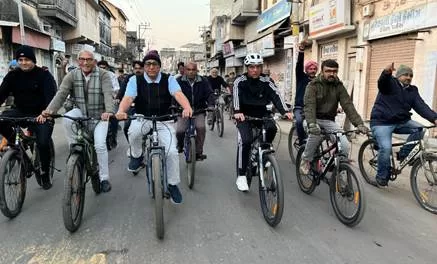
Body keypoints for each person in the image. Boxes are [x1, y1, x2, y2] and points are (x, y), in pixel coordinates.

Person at [115, 50, 193, 204]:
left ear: (159, 66)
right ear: (144, 66)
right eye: (148, 64)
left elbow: (178, 94)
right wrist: (121, 111)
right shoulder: (135, 80)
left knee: (171, 152)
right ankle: (136, 156)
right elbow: (128, 97)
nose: (151, 67)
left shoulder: (168, 79)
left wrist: (187, 107)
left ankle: (172, 184)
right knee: (133, 132)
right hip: (142, 118)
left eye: (154, 64)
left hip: (164, 119)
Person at [38, 49, 114, 193]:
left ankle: (104, 178)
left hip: (99, 116)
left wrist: (109, 111)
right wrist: (50, 110)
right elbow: (61, 94)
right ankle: (74, 147)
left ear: (94, 61)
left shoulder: (103, 75)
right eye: (82, 59)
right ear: (78, 61)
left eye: (88, 59)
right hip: (80, 112)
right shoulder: (72, 75)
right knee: (67, 119)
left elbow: (108, 94)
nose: (85, 62)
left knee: (99, 145)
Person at [0, 45, 57, 190]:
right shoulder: (13, 75)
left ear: (33, 60)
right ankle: (16, 146)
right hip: (20, 111)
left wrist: (46, 113)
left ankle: (44, 172)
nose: (23, 62)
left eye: (27, 59)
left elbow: (52, 98)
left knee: (43, 143)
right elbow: (1, 94)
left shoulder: (44, 75)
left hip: (42, 114)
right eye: (20, 59)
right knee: (1, 120)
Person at [370, 64, 437, 187]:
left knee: (420, 129)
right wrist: (386, 72)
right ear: (398, 75)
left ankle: (403, 155)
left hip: (401, 121)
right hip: (381, 122)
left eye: (411, 75)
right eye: (405, 74)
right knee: (385, 148)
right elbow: (382, 82)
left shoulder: (412, 90)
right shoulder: (390, 83)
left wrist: (435, 118)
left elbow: (421, 107)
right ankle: (381, 177)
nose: (408, 77)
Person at [233, 53, 292, 191]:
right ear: (247, 67)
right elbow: (235, 96)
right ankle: (241, 176)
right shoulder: (239, 81)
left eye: (258, 67)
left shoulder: (267, 81)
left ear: (261, 67)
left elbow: (276, 95)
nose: (255, 70)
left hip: (263, 115)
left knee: (272, 128)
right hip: (244, 116)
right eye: (252, 67)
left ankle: (263, 151)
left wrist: (285, 111)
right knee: (245, 141)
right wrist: (237, 112)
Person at [300, 59, 369, 174]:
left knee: (345, 145)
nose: (332, 74)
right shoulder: (313, 85)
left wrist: (359, 124)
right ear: (322, 71)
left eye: (334, 71)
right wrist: (312, 124)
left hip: (329, 121)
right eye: (328, 71)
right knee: (315, 135)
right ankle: (306, 159)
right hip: (312, 119)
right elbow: (309, 106)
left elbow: (347, 105)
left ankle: (337, 168)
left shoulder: (339, 86)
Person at [176, 61, 214, 161]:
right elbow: (174, 94)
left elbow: (209, 94)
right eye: (188, 69)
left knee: (201, 128)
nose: (191, 72)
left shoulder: (203, 80)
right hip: (182, 111)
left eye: (193, 70)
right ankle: (180, 145)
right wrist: (173, 106)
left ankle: (198, 152)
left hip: (199, 110)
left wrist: (210, 105)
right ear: (184, 70)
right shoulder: (179, 81)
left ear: (197, 70)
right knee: (180, 130)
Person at [294, 41, 318, 146]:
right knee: (299, 122)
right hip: (299, 108)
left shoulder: (318, 81)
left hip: (313, 108)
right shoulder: (301, 77)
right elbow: (299, 65)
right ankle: (302, 141)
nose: (312, 70)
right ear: (306, 70)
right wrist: (301, 51)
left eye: (314, 69)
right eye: (310, 69)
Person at [116, 60, 144, 141]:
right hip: (130, 105)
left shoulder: (147, 78)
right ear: (133, 69)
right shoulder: (129, 78)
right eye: (136, 68)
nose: (138, 70)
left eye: (140, 68)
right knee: (127, 127)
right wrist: (118, 97)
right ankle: (132, 145)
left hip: (144, 106)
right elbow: (122, 89)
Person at [97, 60, 120, 150]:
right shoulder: (94, 75)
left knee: (114, 118)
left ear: (107, 68)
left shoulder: (111, 75)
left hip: (110, 100)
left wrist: (115, 98)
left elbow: (116, 89)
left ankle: (113, 137)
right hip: (97, 101)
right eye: (100, 67)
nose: (102, 69)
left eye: (104, 67)